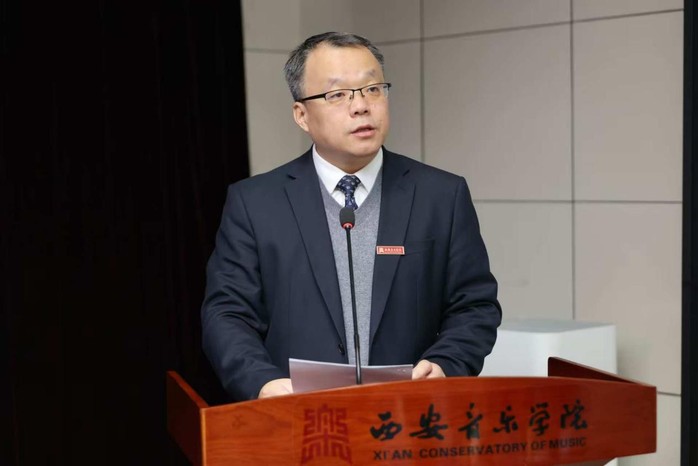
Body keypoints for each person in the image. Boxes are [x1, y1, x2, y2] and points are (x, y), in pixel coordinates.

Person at [201, 32, 501, 402]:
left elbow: (475, 305)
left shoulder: (441, 196)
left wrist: (445, 363)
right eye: (337, 94)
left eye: (373, 89)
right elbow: (227, 314)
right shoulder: (255, 203)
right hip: (296, 413)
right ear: (301, 115)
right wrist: (263, 383)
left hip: (408, 413)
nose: (361, 106)